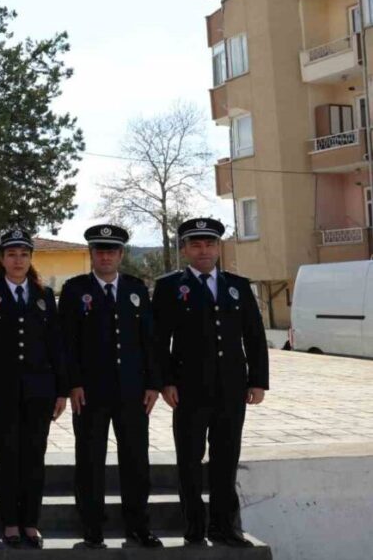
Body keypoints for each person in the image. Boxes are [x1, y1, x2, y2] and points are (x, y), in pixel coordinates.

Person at [153, 217, 269, 548]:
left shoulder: (237, 285)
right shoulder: (170, 287)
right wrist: (165, 382)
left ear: (218, 247)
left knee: (226, 458)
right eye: (196, 245)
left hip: (232, 388)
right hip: (188, 389)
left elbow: (254, 336)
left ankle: (225, 527)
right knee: (189, 460)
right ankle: (194, 527)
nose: (203, 251)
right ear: (185, 249)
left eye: (209, 244)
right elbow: (159, 340)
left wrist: (258, 380)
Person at [60, 224, 162, 549]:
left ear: (120, 254)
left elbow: (150, 340)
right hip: (90, 392)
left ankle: (138, 524)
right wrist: (73, 384)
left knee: (136, 459)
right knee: (90, 460)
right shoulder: (76, 290)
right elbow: (67, 344)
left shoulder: (135, 289)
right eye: (99, 250)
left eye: (112, 251)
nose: (105, 256)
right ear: (91, 254)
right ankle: (92, 526)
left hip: (132, 391)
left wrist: (153, 383)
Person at [0, 228, 68, 549]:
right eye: (11, 254)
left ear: (31, 258)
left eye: (24, 254)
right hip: (1, 393)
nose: (18, 260)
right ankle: (10, 522)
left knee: (34, 457)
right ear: (2, 258)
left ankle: (31, 522)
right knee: (7, 456)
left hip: (39, 391)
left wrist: (61, 391)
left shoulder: (43, 296)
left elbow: (57, 345)